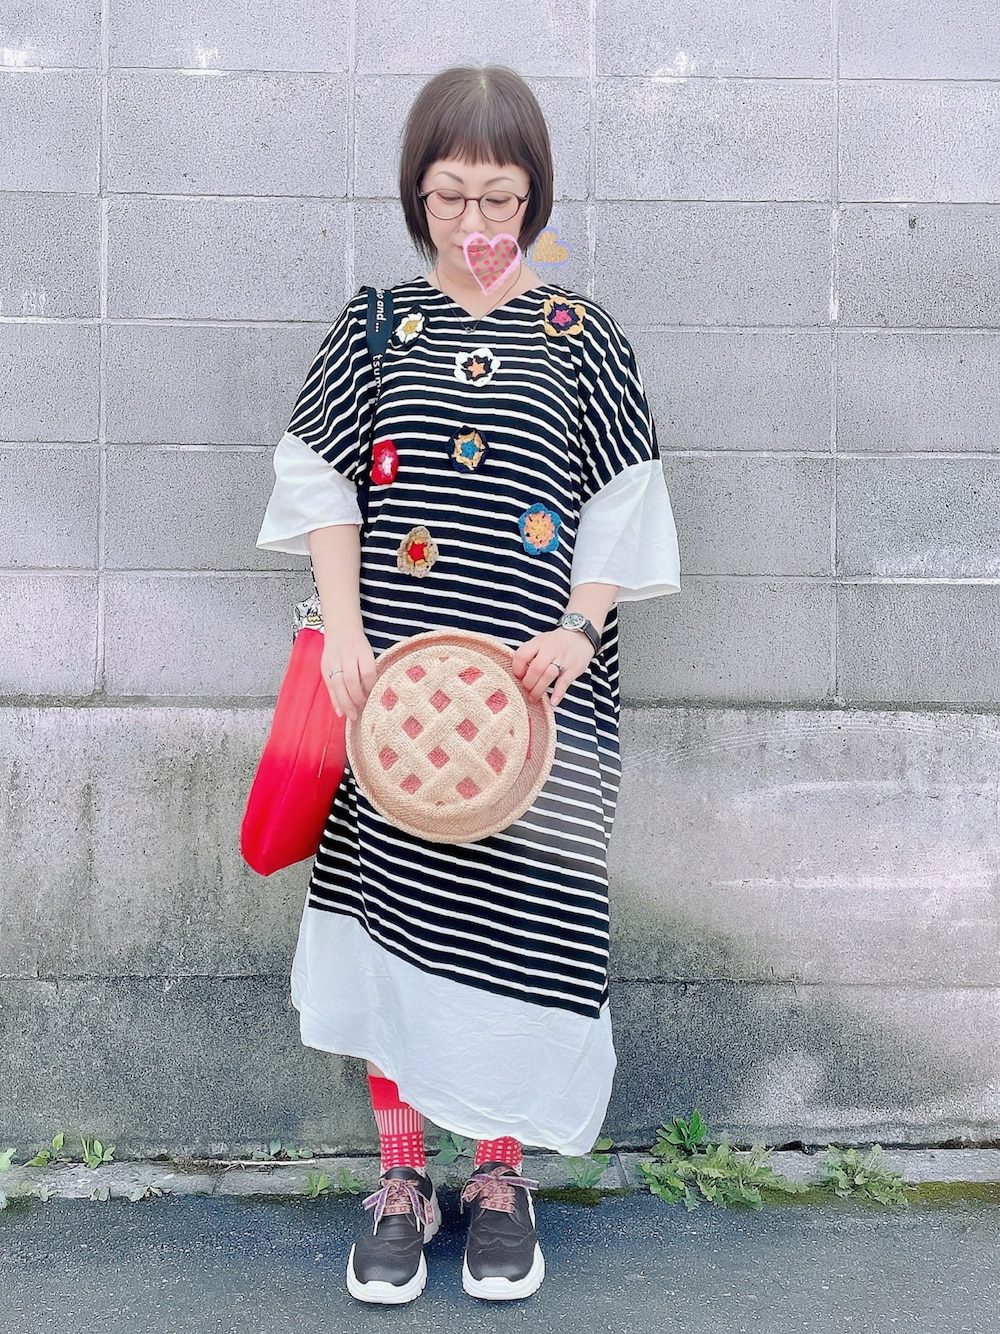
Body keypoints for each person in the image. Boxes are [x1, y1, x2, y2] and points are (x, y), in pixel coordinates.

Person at [256, 64, 680, 1304]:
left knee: (520, 933)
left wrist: (580, 627)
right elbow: (322, 482)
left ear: (534, 194)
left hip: (541, 709)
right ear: (416, 194)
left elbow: (623, 505)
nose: (476, 220)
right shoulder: (373, 324)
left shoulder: (584, 334)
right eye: (449, 195)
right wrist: (344, 637)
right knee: (395, 927)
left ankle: (498, 1175)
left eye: (500, 195)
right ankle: (401, 1177)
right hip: (392, 701)